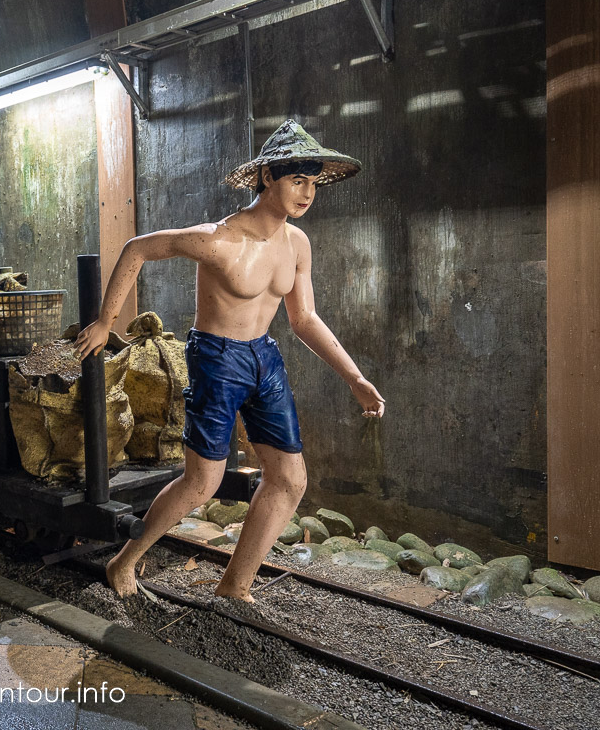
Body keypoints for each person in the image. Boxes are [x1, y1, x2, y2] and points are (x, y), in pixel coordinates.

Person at [75, 120, 386, 603]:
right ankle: (125, 561)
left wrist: (355, 378)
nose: (307, 194)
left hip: (264, 358)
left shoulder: (297, 244)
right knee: (203, 483)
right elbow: (138, 249)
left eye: (312, 183)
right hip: (217, 358)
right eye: (296, 180)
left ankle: (234, 587)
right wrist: (103, 320)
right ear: (267, 178)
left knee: (290, 479)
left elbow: (304, 319)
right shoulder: (216, 239)